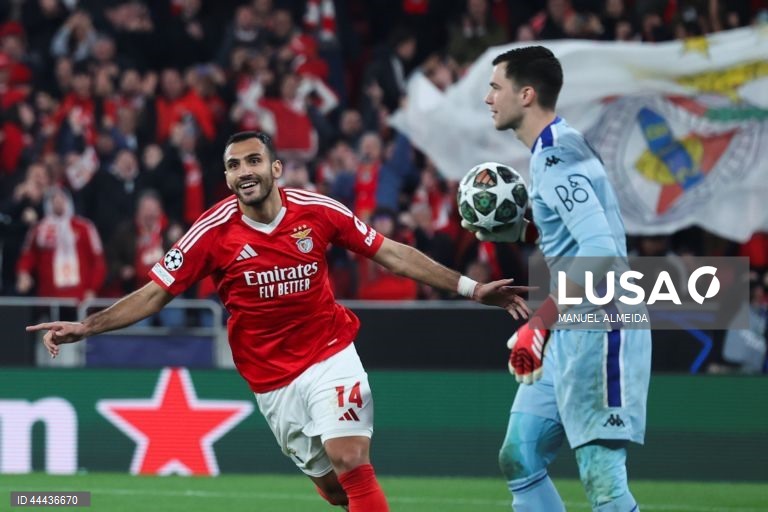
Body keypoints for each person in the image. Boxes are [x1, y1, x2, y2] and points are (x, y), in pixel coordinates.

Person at [27, 131, 531, 512]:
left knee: (352, 459)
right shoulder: (212, 232)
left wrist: (471, 288)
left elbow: (391, 253)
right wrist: (86, 327)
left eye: (252, 161)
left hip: (331, 351)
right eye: (232, 166)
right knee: (336, 491)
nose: (243, 171)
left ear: (276, 167)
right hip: (272, 381)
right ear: (226, 178)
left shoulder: (317, 211)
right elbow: (157, 293)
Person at [470, 46, 652, 511]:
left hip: (604, 322)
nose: (488, 97)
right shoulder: (557, 148)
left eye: (496, 86)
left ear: (526, 94)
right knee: (520, 455)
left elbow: (602, 253)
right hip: (575, 323)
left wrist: (539, 323)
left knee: (603, 482)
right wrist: (523, 228)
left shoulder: (555, 159)